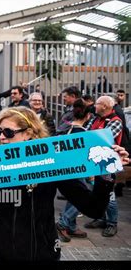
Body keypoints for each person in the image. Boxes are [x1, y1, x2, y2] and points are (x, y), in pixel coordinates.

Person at [0, 106, 128, 260]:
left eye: (9, 132)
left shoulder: (52, 165)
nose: (2, 137)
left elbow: (93, 208)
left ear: (28, 133)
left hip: (41, 254)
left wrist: (106, 172)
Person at [84, 96, 124, 237]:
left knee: (109, 193)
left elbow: (102, 138)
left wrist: (90, 137)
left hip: (107, 164)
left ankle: (112, 223)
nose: (94, 106)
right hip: (95, 161)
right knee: (97, 191)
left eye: (97, 104)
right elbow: (85, 135)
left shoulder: (116, 121)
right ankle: (101, 218)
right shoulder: (96, 119)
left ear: (105, 106)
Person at [56, 99, 93, 242]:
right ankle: (64, 222)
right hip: (79, 169)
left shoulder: (65, 129)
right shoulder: (84, 133)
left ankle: (70, 225)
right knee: (83, 197)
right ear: (88, 116)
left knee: (73, 196)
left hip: (66, 168)